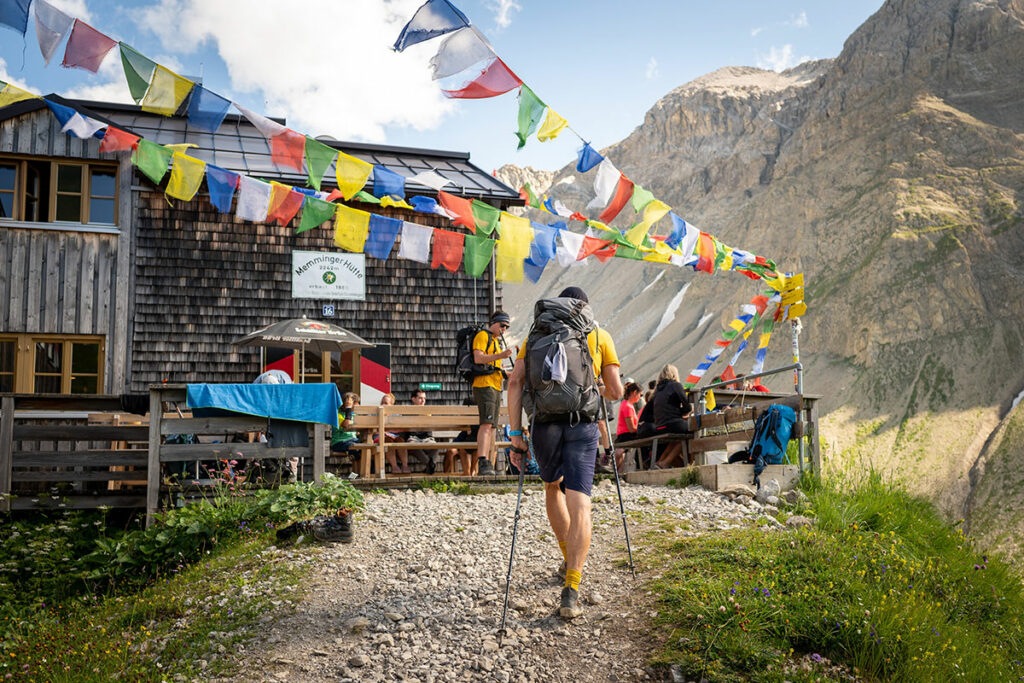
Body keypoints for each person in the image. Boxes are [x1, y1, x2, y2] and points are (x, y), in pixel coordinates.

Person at [508, 286, 623, 620]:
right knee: (581, 503)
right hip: (583, 425)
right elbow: (615, 390)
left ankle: (565, 557)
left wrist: (516, 434)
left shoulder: (535, 336)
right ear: (583, 307)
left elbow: (515, 382)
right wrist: (593, 387)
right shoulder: (598, 334)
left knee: (551, 487)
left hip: (545, 427)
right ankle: (572, 586)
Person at [472, 311, 513, 476]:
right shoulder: (483, 336)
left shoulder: (495, 342)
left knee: (492, 426)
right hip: (485, 385)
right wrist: (502, 355)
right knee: (486, 424)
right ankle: (483, 460)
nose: (504, 329)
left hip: (495, 385)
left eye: (507, 327)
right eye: (503, 325)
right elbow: (478, 358)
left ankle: (487, 461)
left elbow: (495, 367)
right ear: (495, 323)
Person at [652, 365, 693, 469]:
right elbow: (687, 407)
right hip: (672, 423)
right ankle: (689, 465)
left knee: (676, 437)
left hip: (659, 426)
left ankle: (660, 461)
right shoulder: (676, 385)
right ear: (675, 374)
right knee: (691, 432)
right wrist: (681, 413)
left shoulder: (657, 390)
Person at [403, 389, 438, 475]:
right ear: (413, 399)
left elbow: (429, 431)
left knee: (436, 447)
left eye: (424, 398)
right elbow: (406, 429)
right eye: (420, 398)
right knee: (414, 446)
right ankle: (430, 464)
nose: (423, 401)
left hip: (427, 438)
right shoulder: (407, 411)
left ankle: (429, 466)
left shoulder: (428, 411)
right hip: (414, 439)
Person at [614, 382, 642, 470]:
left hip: (623, 434)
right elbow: (631, 429)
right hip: (627, 435)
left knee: (620, 453)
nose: (640, 397)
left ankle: (617, 472)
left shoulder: (625, 404)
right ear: (634, 393)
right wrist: (640, 427)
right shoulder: (628, 407)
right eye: (640, 394)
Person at [331, 392, 361, 472]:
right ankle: (357, 474)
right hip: (339, 442)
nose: (358, 406)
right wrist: (348, 409)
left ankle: (363, 473)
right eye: (356, 403)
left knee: (366, 446)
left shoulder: (354, 415)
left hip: (353, 441)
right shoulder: (339, 415)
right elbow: (346, 425)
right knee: (355, 448)